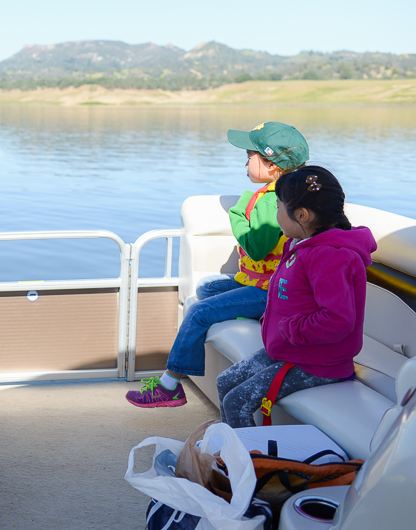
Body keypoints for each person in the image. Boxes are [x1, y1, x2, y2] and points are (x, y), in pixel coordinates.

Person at [126, 121, 310, 408]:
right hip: (267, 284)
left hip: (271, 291)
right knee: (206, 287)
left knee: (199, 311)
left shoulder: (271, 199)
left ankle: (169, 385)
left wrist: (238, 211)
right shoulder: (287, 192)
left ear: (273, 165)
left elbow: (257, 249)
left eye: (250, 156)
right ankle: (248, 314)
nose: (245, 162)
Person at [216, 166, 376, 427]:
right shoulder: (300, 245)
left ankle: (251, 465)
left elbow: (337, 319)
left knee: (237, 402)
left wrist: (290, 329)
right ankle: (234, 453)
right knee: (224, 382)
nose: (276, 215)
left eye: (279, 207)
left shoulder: (330, 256)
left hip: (319, 363)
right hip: (291, 348)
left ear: (301, 215)